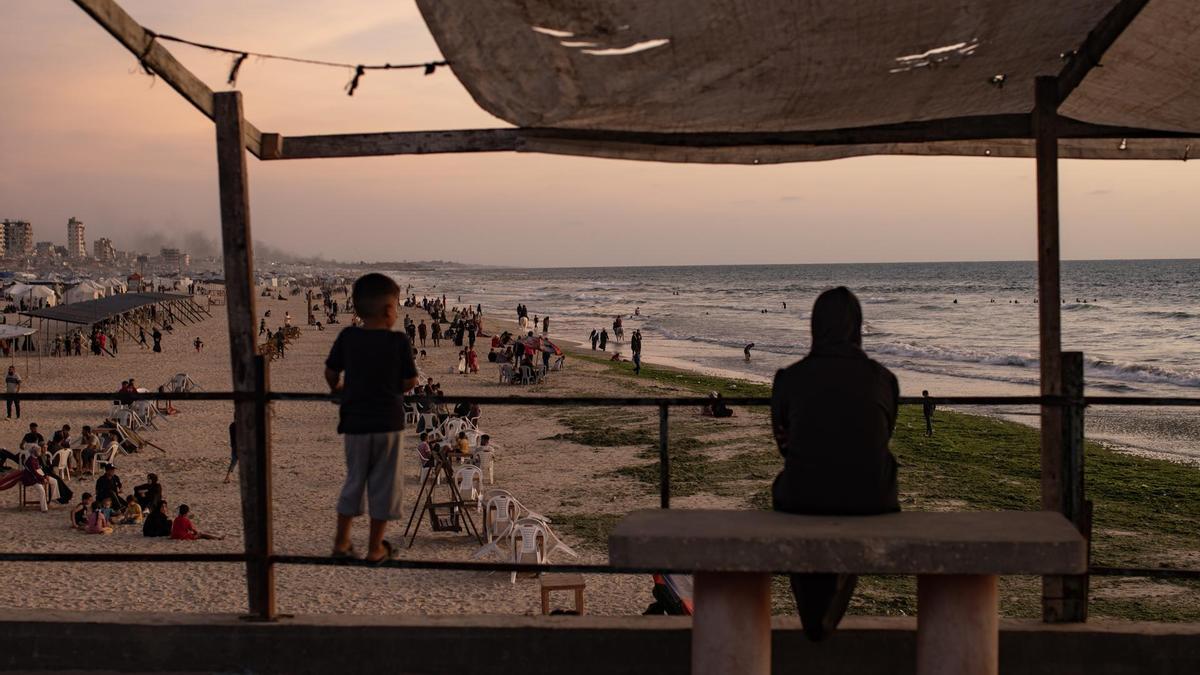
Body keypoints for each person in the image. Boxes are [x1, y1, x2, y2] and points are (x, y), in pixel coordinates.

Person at [771, 287, 899, 641]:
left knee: (801, 492)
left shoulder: (789, 378)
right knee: (845, 491)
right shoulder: (884, 378)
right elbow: (881, 435)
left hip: (802, 494)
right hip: (873, 495)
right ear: (857, 327)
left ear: (814, 327)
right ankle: (831, 600)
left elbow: (784, 443)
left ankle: (815, 612)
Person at [324, 273, 418, 563]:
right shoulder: (399, 341)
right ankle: (375, 547)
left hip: (355, 423)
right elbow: (410, 381)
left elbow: (330, 372)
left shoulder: (348, 336)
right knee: (384, 485)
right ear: (390, 310)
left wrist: (338, 389)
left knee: (354, 480)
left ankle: (341, 542)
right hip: (387, 424)